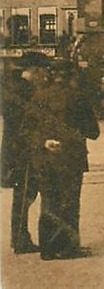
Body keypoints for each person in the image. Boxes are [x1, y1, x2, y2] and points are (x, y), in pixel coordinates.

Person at [26, 60, 99, 260]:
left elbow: (26, 129)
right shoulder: (79, 98)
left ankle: (47, 250)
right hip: (71, 158)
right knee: (69, 203)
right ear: (71, 75)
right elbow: (94, 132)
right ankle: (68, 248)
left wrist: (45, 141)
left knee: (48, 201)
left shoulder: (38, 96)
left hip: (45, 158)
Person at [3, 51, 50, 254]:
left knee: (23, 195)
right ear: (35, 70)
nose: (45, 76)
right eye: (43, 71)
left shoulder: (13, 88)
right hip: (23, 151)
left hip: (15, 149)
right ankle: (20, 240)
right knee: (25, 195)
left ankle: (19, 238)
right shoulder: (26, 91)